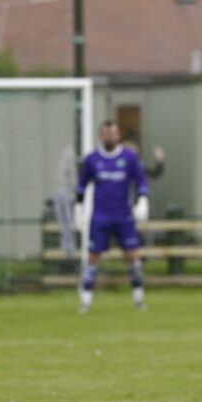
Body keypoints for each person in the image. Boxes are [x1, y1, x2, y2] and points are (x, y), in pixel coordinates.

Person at [74, 121, 150, 313]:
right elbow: (82, 186)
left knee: (132, 256)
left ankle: (139, 299)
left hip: (124, 216)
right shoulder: (92, 159)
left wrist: (142, 201)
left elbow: (141, 182)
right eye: (106, 134)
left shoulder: (129, 158)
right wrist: (79, 208)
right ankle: (86, 301)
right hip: (100, 217)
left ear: (119, 135)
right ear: (101, 136)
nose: (110, 137)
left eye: (113, 133)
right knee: (93, 257)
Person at [54, 145, 77, 257]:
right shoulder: (69, 152)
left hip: (78, 194)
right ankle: (68, 247)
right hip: (68, 193)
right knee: (65, 219)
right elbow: (65, 175)